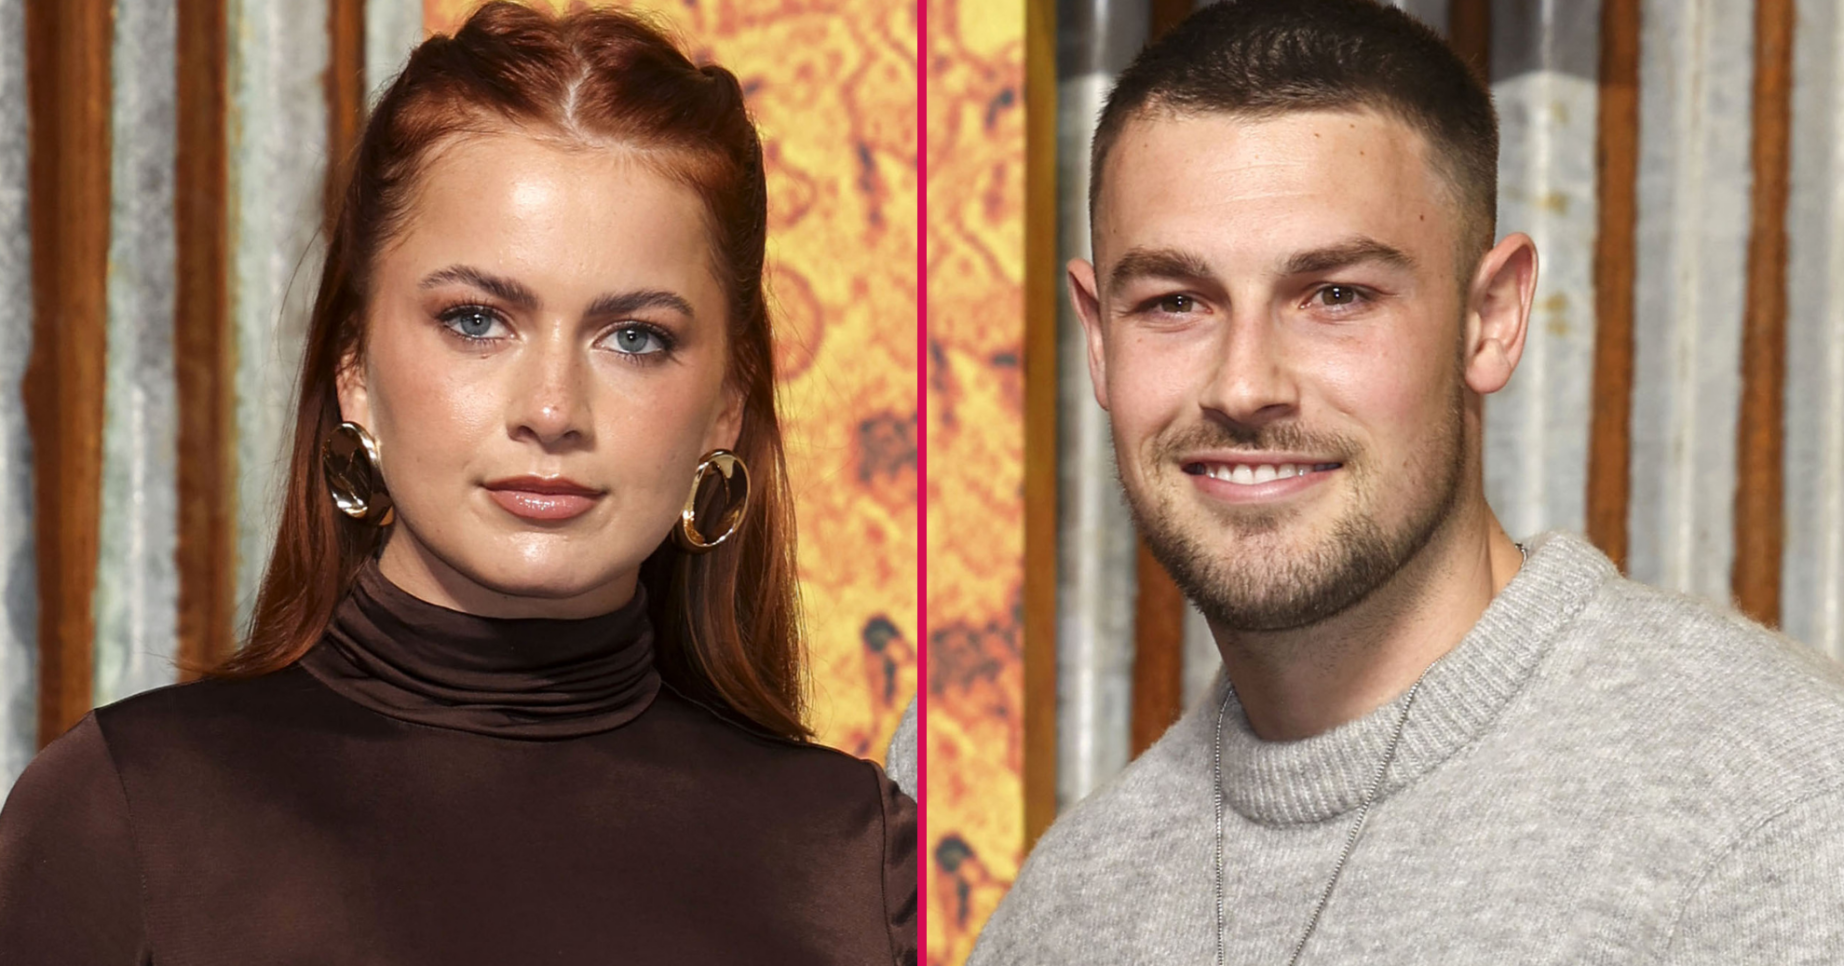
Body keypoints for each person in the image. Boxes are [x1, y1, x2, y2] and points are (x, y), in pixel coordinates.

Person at [0, 5, 915, 964]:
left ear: (726, 404)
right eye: (477, 320)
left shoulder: (850, 858)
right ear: (355, 367)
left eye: (636, 337)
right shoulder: (128, 816)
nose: (553, 408)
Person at [969, 1, 1844, 963]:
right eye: (1176, 301)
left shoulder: (1778, 813)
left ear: (1492, 319)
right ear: (1097, 340)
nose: (1245, 384)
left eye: (1336, 295)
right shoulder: (1065, 911)